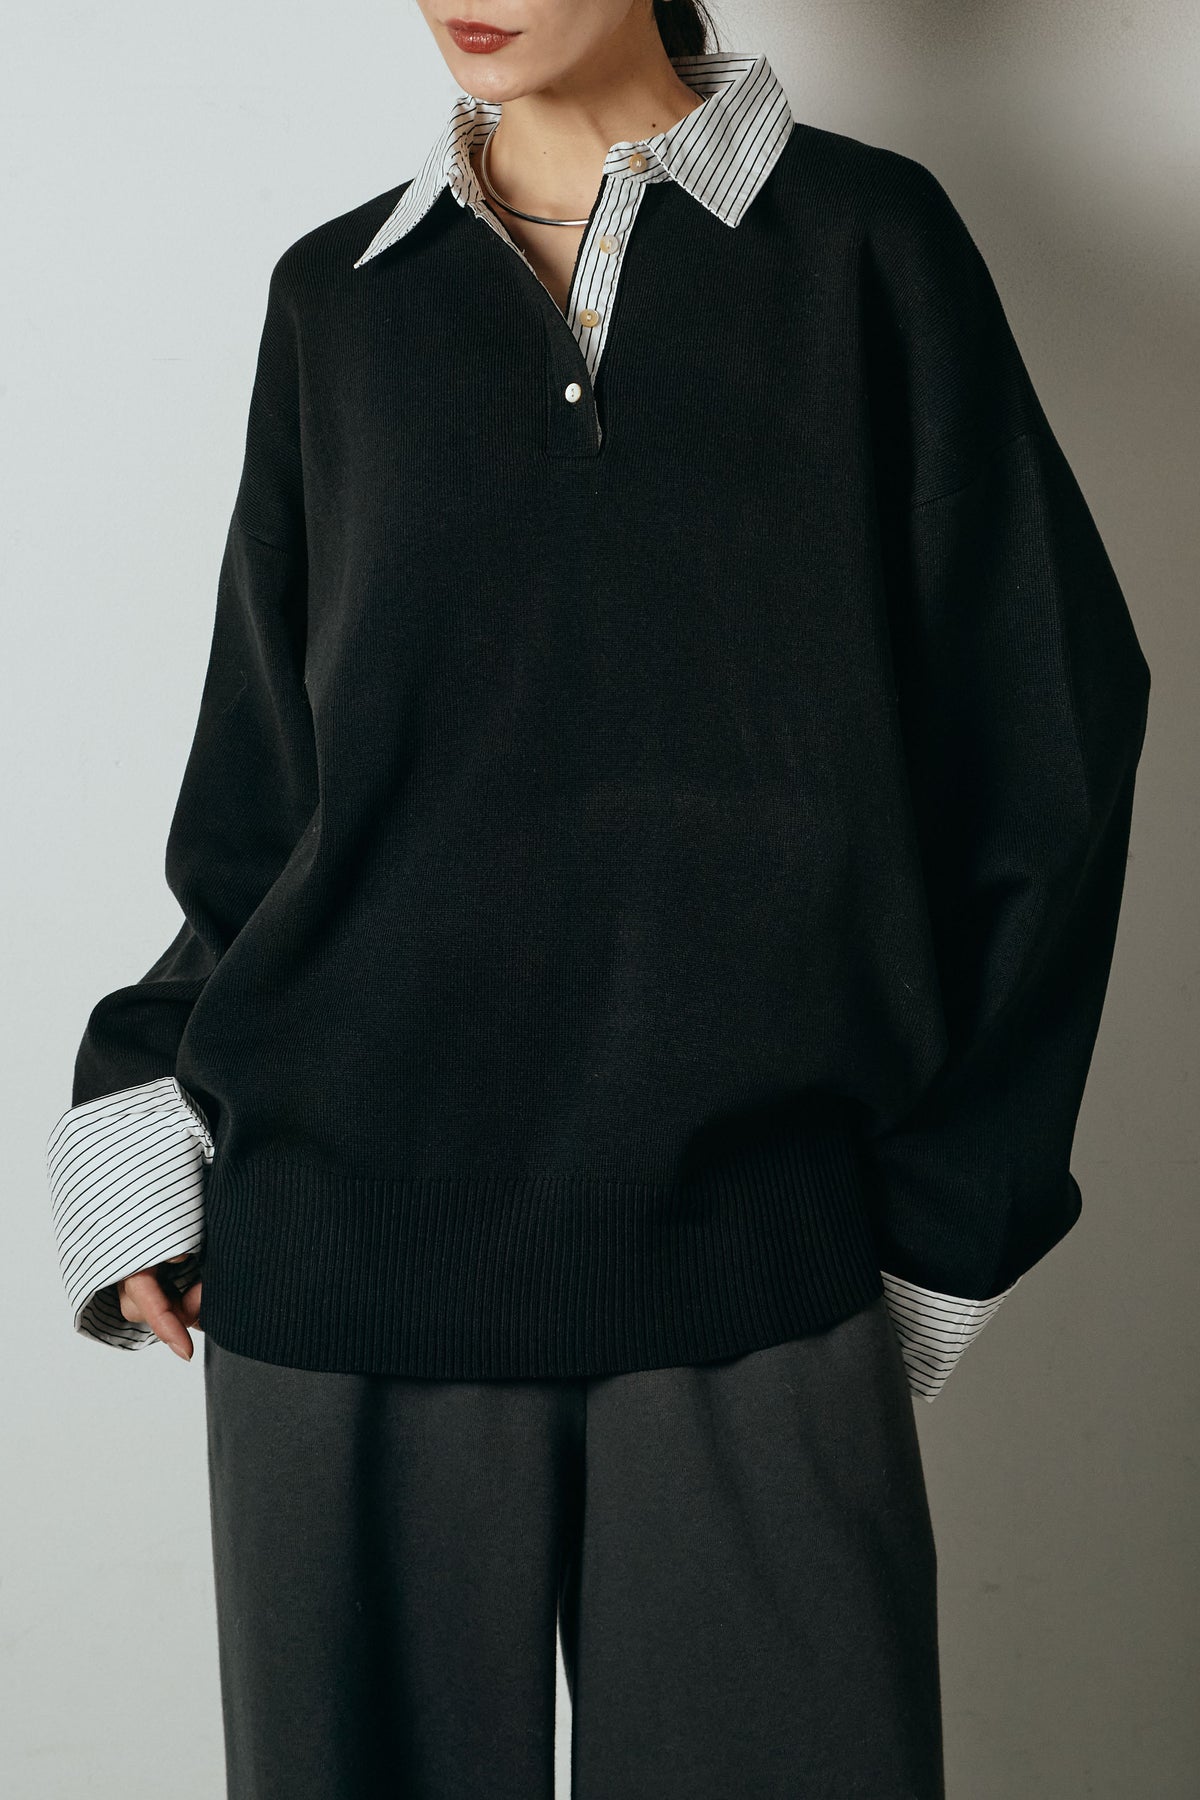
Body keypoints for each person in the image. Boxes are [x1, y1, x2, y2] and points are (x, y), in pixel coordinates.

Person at [45, 3, 1152, 1796]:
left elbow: (1051, 746)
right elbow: (268, 793)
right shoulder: (339, 297)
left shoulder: (868, 249)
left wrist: (958, 1209)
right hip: (339, 1262)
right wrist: (137, 1111)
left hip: (758, 1257)